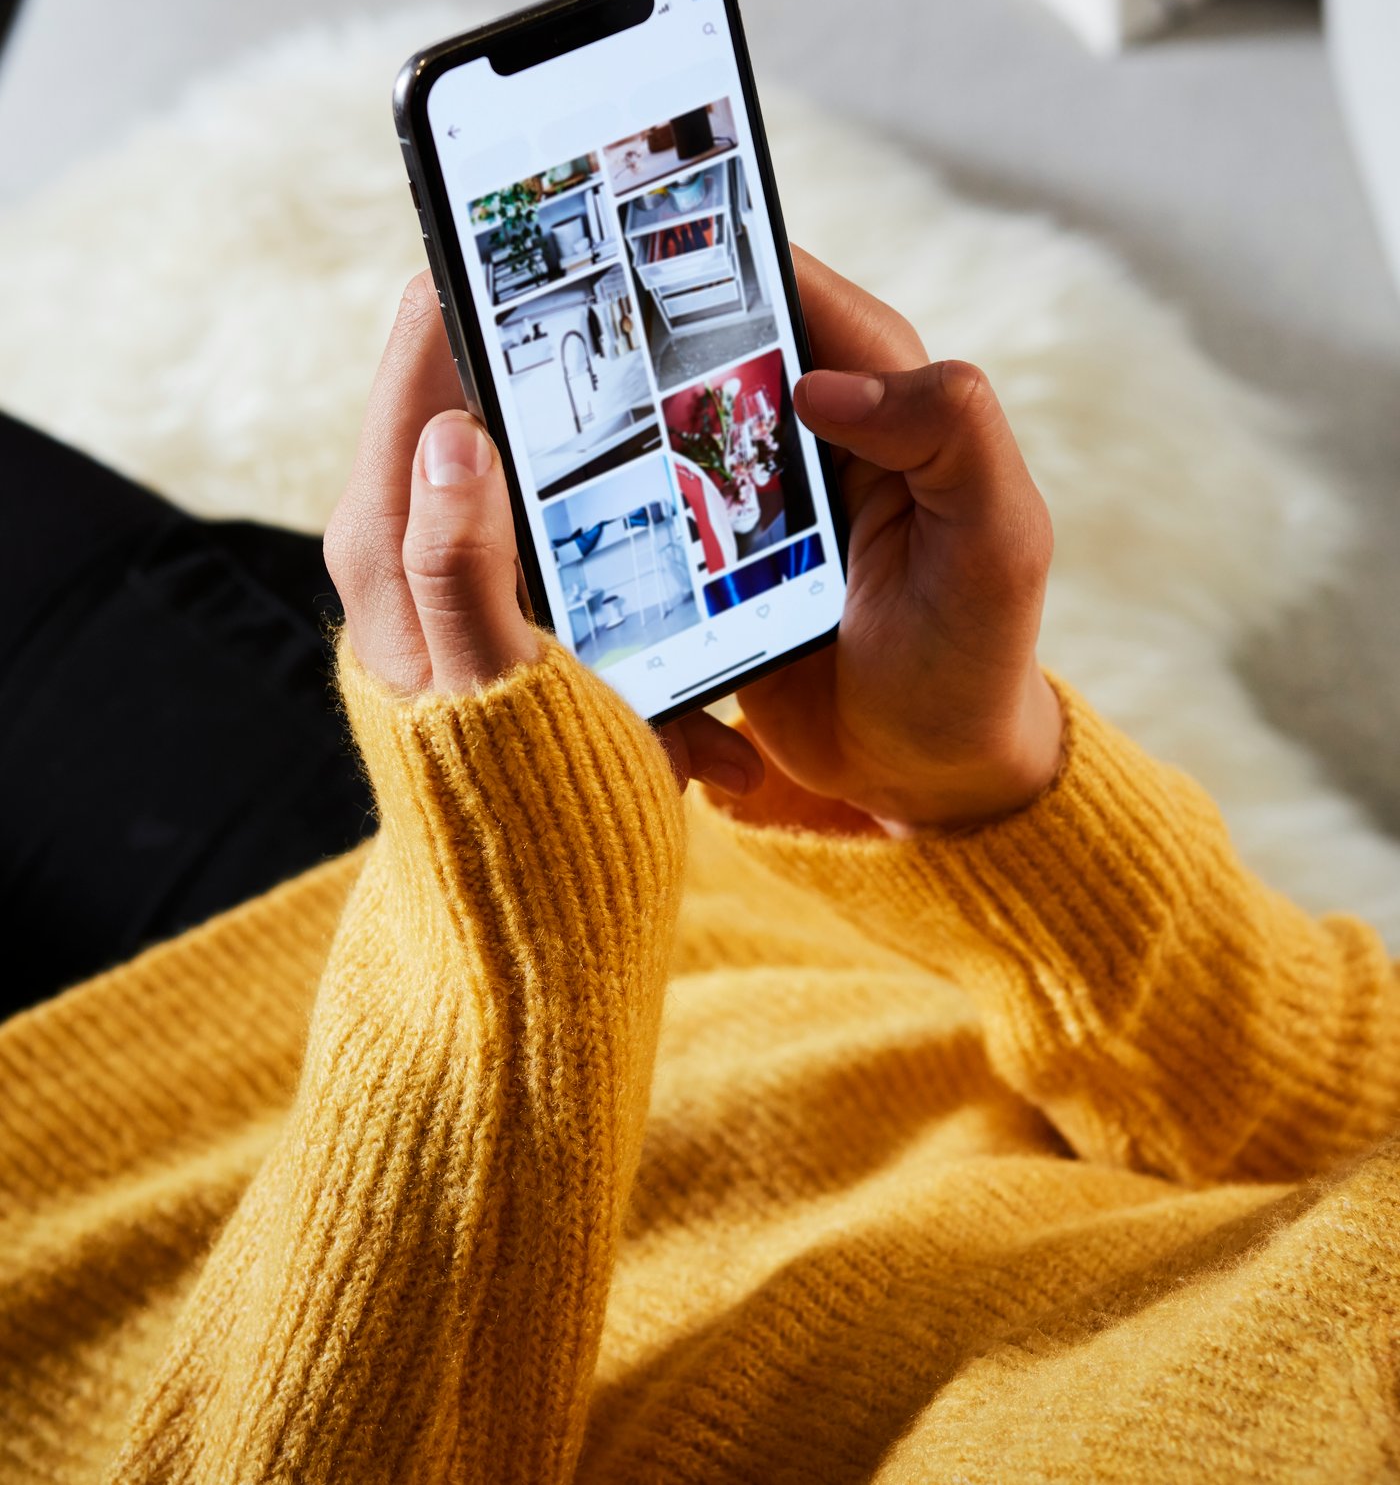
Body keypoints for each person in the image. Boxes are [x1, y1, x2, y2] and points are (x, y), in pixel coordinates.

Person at [1, 253, 1396, 1483]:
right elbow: (1351, 1114)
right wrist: (980, 788)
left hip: (202, 1257)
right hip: (629, 866)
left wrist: (511, 936)